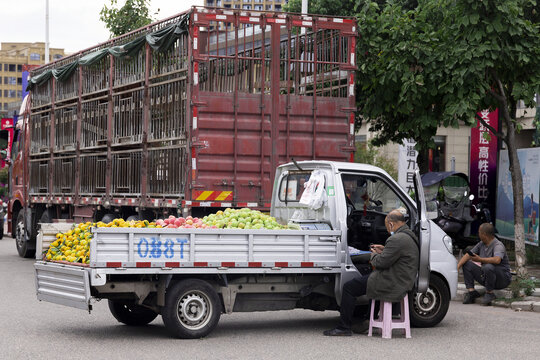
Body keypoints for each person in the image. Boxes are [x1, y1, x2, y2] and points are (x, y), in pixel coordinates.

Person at [323, 209, 420, 336]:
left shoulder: (397, 239)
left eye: (387, 226)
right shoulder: (408, 236)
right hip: (403, 279)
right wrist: (384, 249)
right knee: (367, 278)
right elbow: (397, 254)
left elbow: (381, 263)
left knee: (349, 287)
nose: (387, 230)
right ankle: (368, 319)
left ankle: (343, 327)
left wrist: (373, 255)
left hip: (392, 281)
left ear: (391, 224)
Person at [457, 223, 512, 306]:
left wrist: (479, 259)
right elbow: (468, 255)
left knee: (488, 266)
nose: (478, 234)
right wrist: (457, 267)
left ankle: (490, 293)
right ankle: (472, 292)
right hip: (487, 277)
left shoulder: (498, 245)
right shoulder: (481, 244)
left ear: (484, 234)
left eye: (479, 232)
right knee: (467, 264)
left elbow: (497, 260)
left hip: (502, 280)